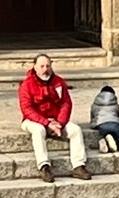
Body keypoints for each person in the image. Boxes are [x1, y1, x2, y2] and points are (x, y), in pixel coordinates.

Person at [17, 53, 90, 184]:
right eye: (42, 66)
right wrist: (46, 123)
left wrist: (60, 123)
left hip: (55, 120)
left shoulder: (59, 82)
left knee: (76, 130)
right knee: (39, 131)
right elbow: (27, 109)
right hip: (33, 121)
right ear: (35, 67)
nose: (45, 69)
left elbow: (66, 103)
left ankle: (78, 166)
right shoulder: (27, 85)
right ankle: (44, 166)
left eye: (48, 66)